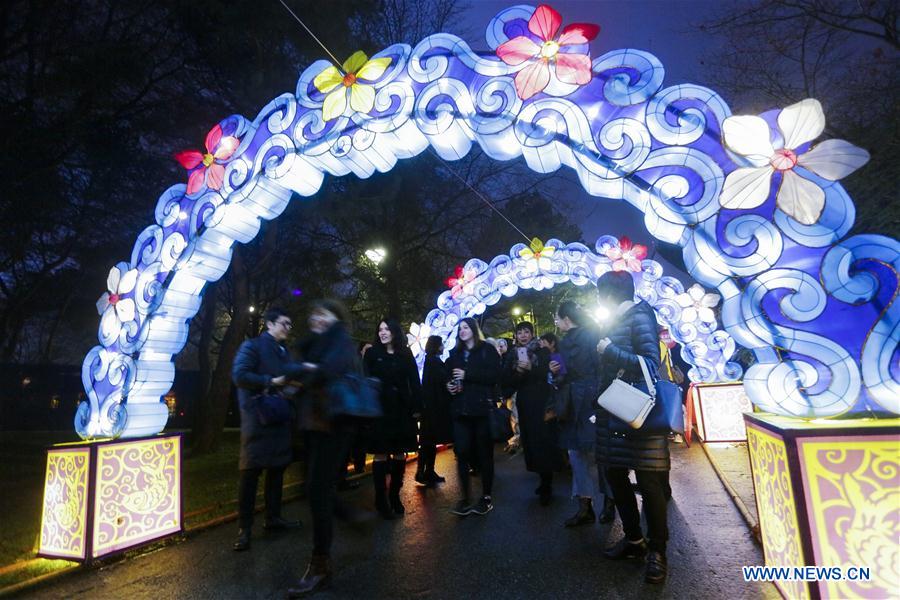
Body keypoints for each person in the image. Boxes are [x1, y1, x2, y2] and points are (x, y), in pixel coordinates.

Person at [593, 270, 670, 584]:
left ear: (610, 294)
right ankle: (634, 540)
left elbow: (651, 363)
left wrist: (609, 349)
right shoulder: (612, 320)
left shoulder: (640, 316)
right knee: (615, 474)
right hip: (614, 411)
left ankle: (658, 551)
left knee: (650, 483)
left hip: (641, 412)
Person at [288, 299, 358, 597]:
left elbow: (330, 370)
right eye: (313, 313)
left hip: (333, 424)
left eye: (322, 313)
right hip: (312, 424)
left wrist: (304, 371)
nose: (316, 317)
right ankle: (350, 514)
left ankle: (320, 565)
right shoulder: (312, 344)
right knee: (313, 488)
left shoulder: (340, 339)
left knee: (317, 488)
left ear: (335, 317)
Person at [231, 307, 306, 552]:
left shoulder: (284, 351)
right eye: (284, 323)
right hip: (258, 418)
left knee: (276, 470)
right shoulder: (252, 346)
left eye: (289, 324)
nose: (288, 328)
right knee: (250, 473)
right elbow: (240, 375)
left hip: (279, 416)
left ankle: (273, 518)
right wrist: (270, 382)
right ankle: (244, 529)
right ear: (270, 324)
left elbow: (291, 377)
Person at [549, 301, 615, 528]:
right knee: (579, 453)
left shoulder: (592, 335)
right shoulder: (568, 342)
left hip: (591, 401)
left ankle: (607, 502)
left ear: (567, 319)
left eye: (557, 318)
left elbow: (602, 368)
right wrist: (555, 373)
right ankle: (587, 506)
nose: (556, 323)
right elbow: (567, 375)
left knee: (597, 452)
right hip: (576, 402)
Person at [364, 318, 423, 519]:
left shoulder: (405, 353)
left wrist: (417, 407)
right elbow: (366, 380)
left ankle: (394, 494)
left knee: (399, 454)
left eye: (387, 329)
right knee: (380, 454)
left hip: (401, 410)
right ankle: (380, 498)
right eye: (380, 329)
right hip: (380, 410)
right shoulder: (372, 354)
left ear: (395, 331)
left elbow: (414, 381)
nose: (383, 333)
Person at [501, 321, 563, 506]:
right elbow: (506, 380)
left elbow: (547, 372)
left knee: (544, 439)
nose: (523, 335)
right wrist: (518, 371)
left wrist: (531, 369)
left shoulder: (541, 350)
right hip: (525, 401)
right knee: (531, 441)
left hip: (542, 400)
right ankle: (541, 476)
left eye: (526, 332)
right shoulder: (512, 354)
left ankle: (547, 481)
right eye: (519, 332)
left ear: (532, 333)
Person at [445, 317, 501, 516]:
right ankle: (465, 497)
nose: (462, 331)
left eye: (466, 327)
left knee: (484, 454)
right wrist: (449, 386)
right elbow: (448, 376)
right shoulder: (455, 354)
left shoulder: (487, 350)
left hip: (481, 410)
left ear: (474, 330)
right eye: (459, 328)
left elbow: (495, 376)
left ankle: (486, 496)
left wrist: (467, 375)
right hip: (461, 410)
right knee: (461, 453)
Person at [415, 335, 453, 486]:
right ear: (438, 346)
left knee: (428, 441)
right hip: (434, 409)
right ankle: (424, 471)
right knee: (428, 441)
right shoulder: (435, 362)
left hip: (429, 409)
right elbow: (442, 382)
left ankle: (426, 471)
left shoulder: (430, 361)